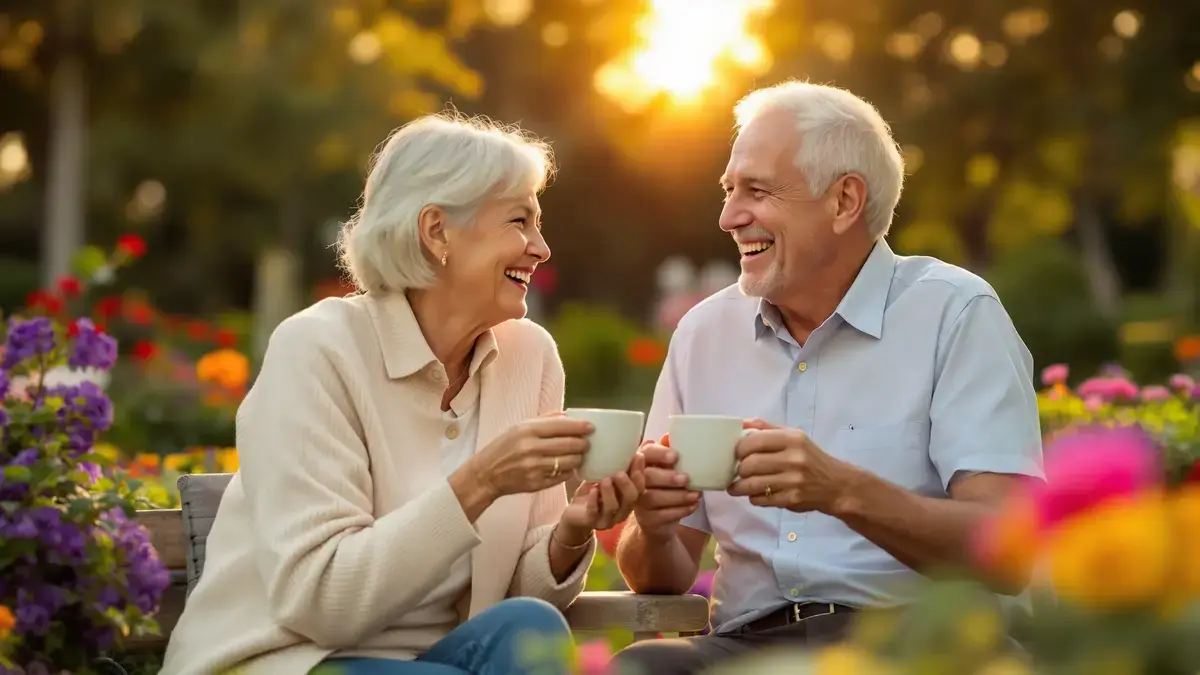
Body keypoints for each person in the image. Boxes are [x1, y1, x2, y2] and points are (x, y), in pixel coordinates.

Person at [162, 112, 646, 675]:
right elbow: (323, 604)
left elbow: (519, 590)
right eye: (519, 221)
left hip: (435, 661)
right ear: (436, 231)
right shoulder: (318, 350)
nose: (540, 248)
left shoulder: (528, 358)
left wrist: (572, 530)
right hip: (293, 660)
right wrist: (481, 481)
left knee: (530, 629)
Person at [612, 81, 1044, 674]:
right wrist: (655, 528)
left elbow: (1009, 548)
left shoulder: (954, 312)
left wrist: (842, 491)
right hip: (747, 647)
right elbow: (661, 571)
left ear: (844, 201)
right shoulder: (702, 333)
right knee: (642, 669)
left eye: (758, 191)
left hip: (916, 646)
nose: (729, 216)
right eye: (729, 190)